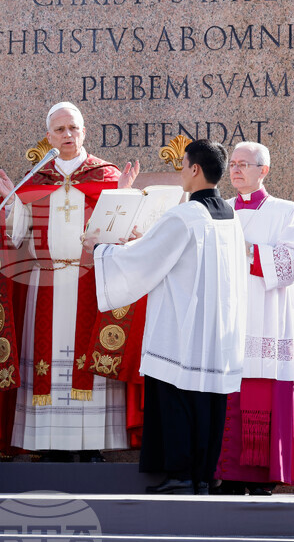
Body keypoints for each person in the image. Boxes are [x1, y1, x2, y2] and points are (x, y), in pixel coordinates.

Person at [0, 101, 140, 461]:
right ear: (48, 136)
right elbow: (17, 237)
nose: (68, 135)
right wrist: (12, 202)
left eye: (74, 128)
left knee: (90, 359)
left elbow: (120, 235)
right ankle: (49, 443)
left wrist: (123, 196)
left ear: (84, 131)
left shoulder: (107, 176)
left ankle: (91, 445)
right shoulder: (36, 178)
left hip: (91, 285)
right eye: (60, 130)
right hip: (44, 284)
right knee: (46, 362)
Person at [83, 139, 247, 494]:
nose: (181, 172)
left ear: (195, 169)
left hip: (181, 327)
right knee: (208, 402)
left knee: (175, 397)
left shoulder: (185, 215)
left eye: (183, 164)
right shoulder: (230, 215)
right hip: (217, 327)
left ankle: (180, 473)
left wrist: (100, 249)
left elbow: (142, 261)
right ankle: (205, 474)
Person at [214, 142, 294, 496]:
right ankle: (224, 472)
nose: (236, 170)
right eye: (233, 164)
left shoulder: (286, 211)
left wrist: (250, 252)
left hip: (265, 316)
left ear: (263, 171)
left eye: (245, 164)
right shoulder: (218, 210)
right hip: (224, 318)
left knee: (259, 394)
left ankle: (259, 476)